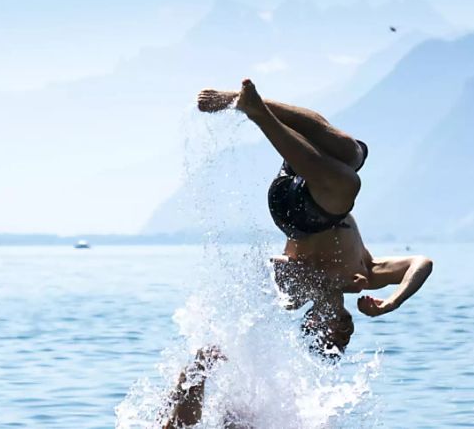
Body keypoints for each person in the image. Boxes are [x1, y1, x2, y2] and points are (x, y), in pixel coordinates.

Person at [160, 79, 433, 427]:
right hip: (311, 180)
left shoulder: (298, 293)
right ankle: (244, 103)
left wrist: (323, 282)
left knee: (348, 184)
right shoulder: (368, 273)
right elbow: (422, 263)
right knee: (352, 152)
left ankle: (258, 113)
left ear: (314, 324)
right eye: (346, 337)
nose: (345, 334)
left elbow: (271, 268)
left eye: (334, 336)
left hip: (296, 212)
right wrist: (394, 301)